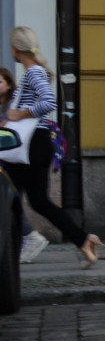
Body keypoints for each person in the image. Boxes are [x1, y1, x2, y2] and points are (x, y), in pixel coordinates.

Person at [2, 27, 102, 268]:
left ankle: (25, 242)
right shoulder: (31, 72)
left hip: (31, 144)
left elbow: (49, 102)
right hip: (34, 143)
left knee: (12, 193)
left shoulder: (33, 72)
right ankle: (83, 241)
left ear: (16, 49)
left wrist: (18, 115)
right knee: (36, 200)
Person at [0, 67, 48, 262]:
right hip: (8, 158)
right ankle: (25, 239)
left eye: (0, 82)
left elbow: (21, 125)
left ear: (9, 84)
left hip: (16, 157)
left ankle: (29, 237)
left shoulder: (15, 103)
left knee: (13, 199)